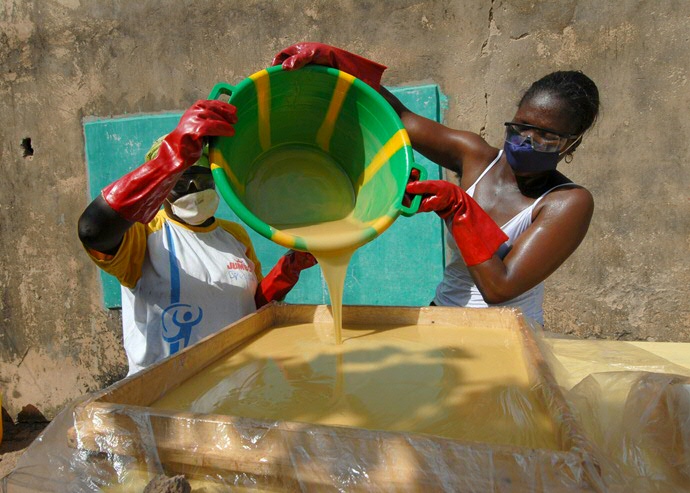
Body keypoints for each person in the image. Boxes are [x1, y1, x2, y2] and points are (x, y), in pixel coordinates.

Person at [272, 43, 599, 325]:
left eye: (546, 135)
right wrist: (337, 63)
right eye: (522, 125)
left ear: (571, 145)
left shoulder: (566, 202)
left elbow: (500, 287)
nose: (527, 140)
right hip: (443, 315)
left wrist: (459, 209)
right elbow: (400, 118)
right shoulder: (475, 158)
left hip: (507, 335)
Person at [78, 100, 316, 375]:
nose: (193, 187)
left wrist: (288, 270)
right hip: (165, 394)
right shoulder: (144, 233)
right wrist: (170, 158)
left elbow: (249, 308)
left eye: (203, 178)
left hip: (235, 385)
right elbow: (93, 230)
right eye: (180, 180)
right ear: (162, 186)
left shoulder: (234, 236)